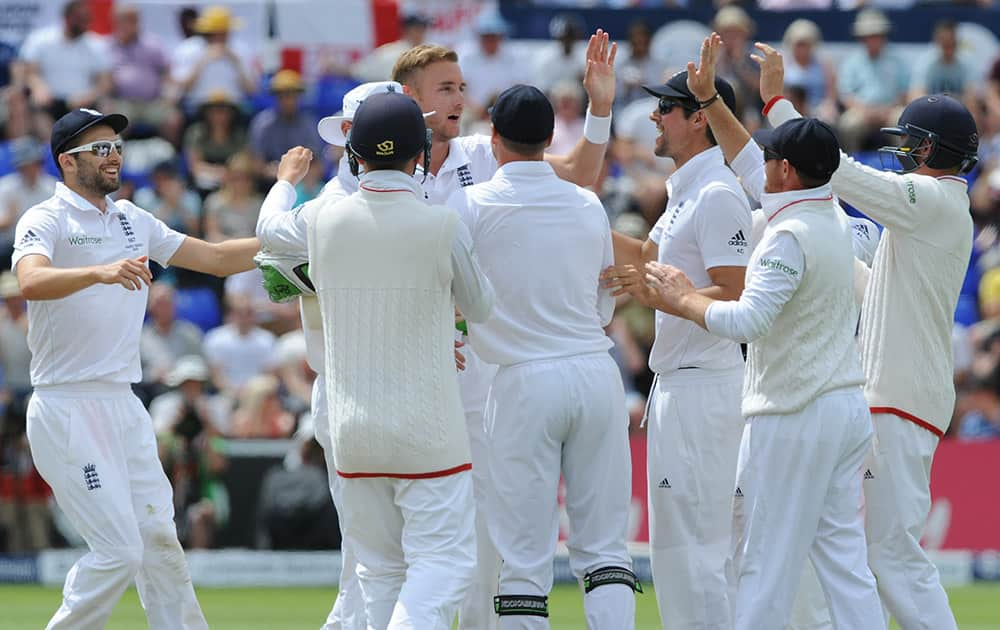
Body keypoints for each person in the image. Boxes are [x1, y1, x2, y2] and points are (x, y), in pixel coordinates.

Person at [11, 108, 261, 629]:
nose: (115, 155)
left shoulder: (133, 219)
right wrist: (99, 271)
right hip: (66, 404)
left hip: (123, 404)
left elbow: (215, 260)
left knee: (159, 541)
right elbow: (31, 282)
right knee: (119, 551)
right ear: (67, 160)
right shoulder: (45, 219)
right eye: (100, 148)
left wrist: (301, 240)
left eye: (117, 146)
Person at [757, 40, 977, 630]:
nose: (902, 152)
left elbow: (844, 174)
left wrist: (781, 107)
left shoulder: (933, 200)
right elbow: (874, 286)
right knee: (860, 553)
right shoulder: (930, 216)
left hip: (900, 400)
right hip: (891, 398)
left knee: (891, 554)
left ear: (928, 148)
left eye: (909, 143)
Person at [642, 109, 884, 630]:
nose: (762, 169)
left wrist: (683, 299)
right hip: (843, 411)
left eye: (770, 160)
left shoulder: (788, 234)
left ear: (788, 172)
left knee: (763, 562)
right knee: (845, 566)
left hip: (793, 414)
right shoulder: (835, 221)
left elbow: (748, 320)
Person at [447, 84, 638, 628]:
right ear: (551, 138)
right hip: (594, 373)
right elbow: (604, 304)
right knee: (604, 549)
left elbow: (459, 297)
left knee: (525, 558)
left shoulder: (470, 205)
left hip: (522, 381)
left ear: (494, 138)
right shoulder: (585, 203)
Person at [308, 90, 494, 629]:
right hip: (426, 433)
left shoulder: (321, 220)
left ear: (355, 153)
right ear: (420, 154)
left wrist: (279, 186)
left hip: (354, 432)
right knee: (446, 562)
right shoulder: (441, 225)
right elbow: (481, 306)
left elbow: (272, 233)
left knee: (379, 571)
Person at [601, 70, 751, 630]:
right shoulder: (687, 189)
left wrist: (662, 295)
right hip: (680, 385)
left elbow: (735, 293)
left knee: (702, 549)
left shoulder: (716, 193)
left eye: (665, 107)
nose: (653, 117)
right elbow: (647, 258)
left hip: (705, 387)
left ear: (700, 119)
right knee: (675, 548)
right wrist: (572, 211)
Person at [256, 80, 406, 630]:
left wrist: (283, 183)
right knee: (377, 544)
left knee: (377, 544)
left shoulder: (333, 204)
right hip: (357, 382)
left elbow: (268, 234)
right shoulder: (347, 202)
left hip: (367, 383)